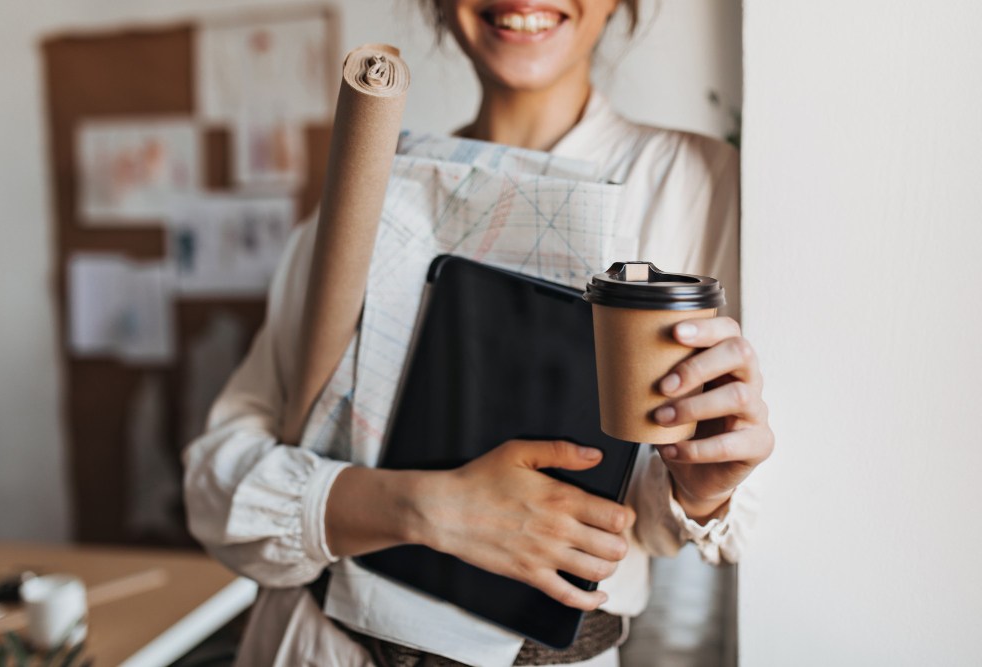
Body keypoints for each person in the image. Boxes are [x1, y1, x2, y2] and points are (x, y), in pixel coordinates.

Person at [183, 0, 774, 665]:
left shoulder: (694, 184)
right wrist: (424, 507)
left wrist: (705, 487)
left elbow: (715, 515)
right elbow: (214, 486)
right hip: (314, 641)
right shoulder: (367, 187)